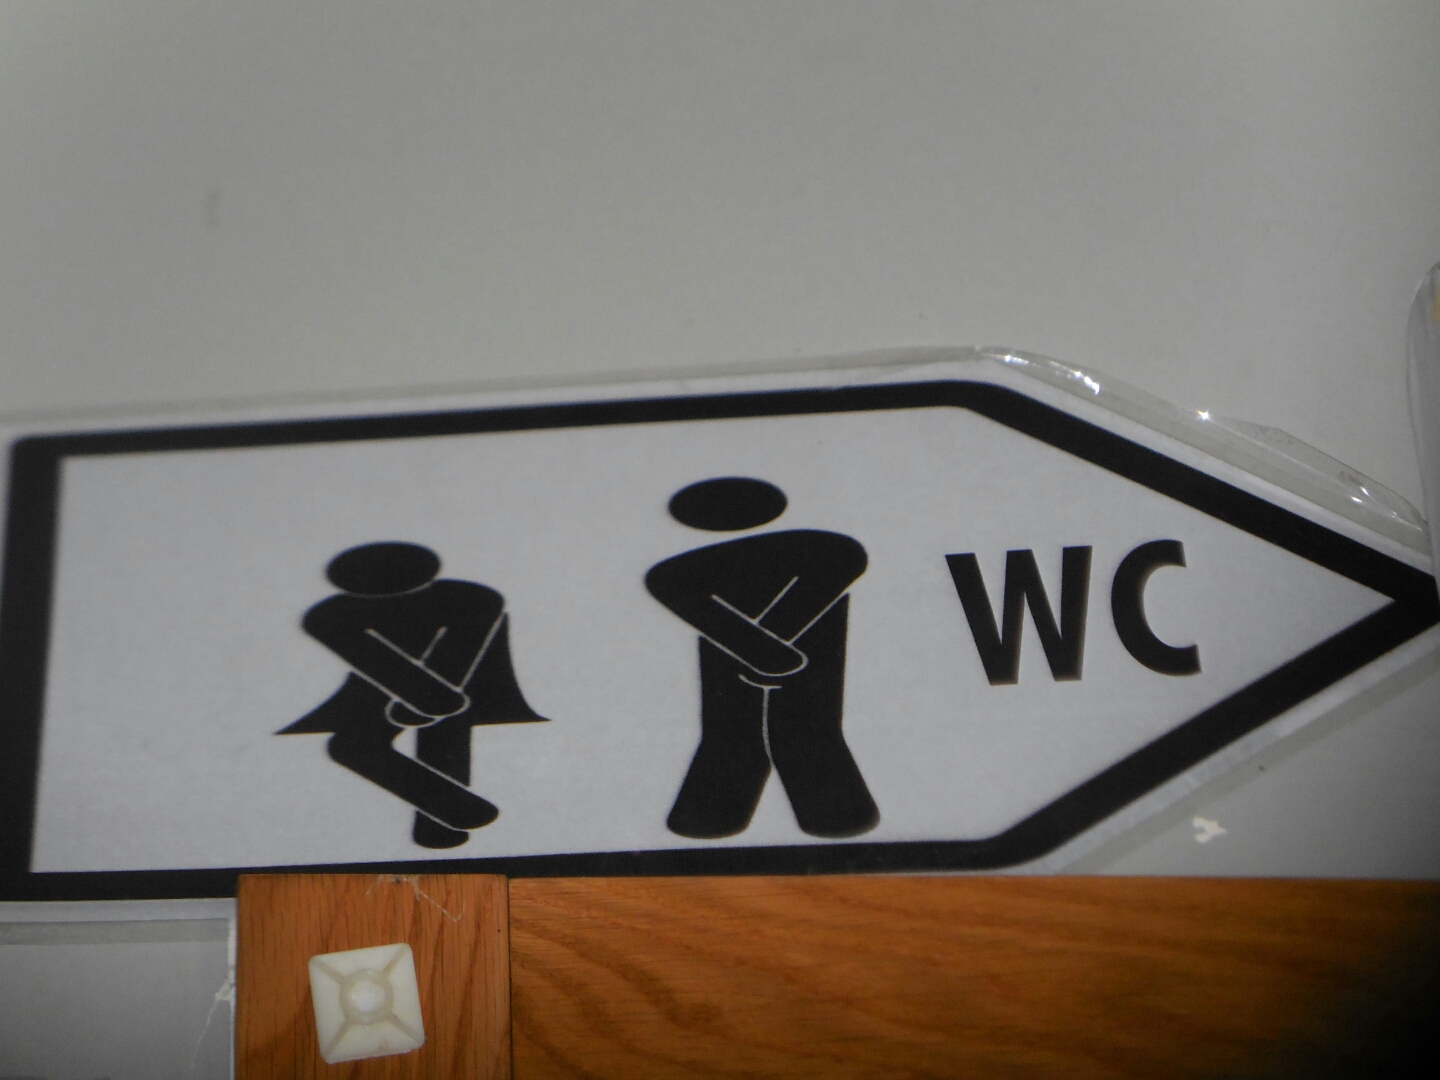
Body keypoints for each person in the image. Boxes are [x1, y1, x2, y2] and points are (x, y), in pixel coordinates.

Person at [646, 477, 879, 839]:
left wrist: (764, 649)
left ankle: (833, 815)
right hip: (746, 614)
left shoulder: (821, 549)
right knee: (736, 733)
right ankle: (718, 815)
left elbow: (846, 558)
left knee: (802, 730)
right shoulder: (692, 569)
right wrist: (763, 652)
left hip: (791, 618)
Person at [280, 541, 545, 848]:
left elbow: (464, 643)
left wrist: (430, 696)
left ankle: (443, 829)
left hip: (463, 687)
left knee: (442, 740)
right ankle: (454, 814)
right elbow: (365, 655)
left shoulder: (471, 599)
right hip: (391, 692)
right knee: (351, 746)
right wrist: (421, 696)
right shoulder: (330, 615)